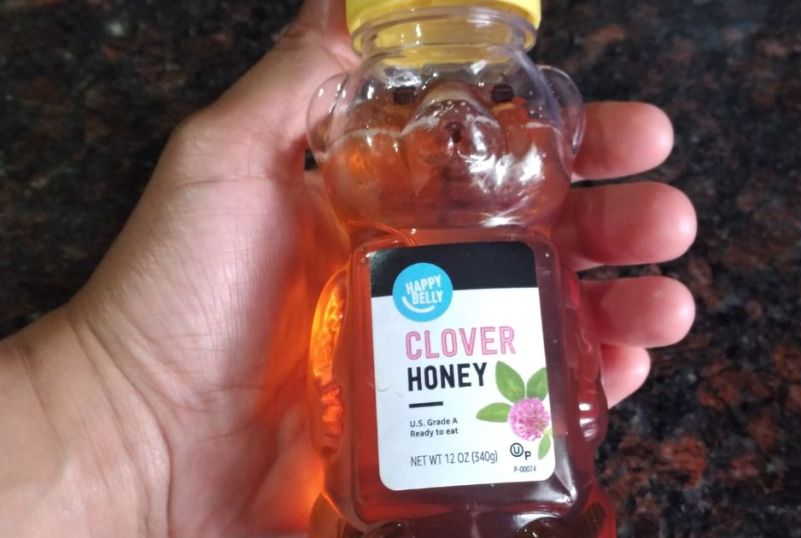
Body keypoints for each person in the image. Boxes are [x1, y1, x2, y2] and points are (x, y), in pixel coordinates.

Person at [0, 1, 697, 535]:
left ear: (564, 124)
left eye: (498, 97)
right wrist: (332, 418)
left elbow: (574, 366)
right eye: (401, 101)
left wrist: (582, 404)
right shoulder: (363, 270)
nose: (452, 129)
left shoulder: (534, 261)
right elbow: (333, 372)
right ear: (328, 130)